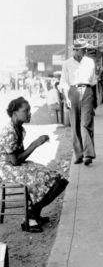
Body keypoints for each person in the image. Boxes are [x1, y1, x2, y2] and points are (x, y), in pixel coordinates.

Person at [0, 97, 68, 232]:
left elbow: (19, 157)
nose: (29, 113)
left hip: (17, 165)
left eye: (30, 110)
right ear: (14, 113)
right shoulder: (9, 131)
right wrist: (35, 144)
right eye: (26, 110)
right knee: (41, 179)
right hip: (7, 169)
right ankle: (31, 219)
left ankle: (34, 214)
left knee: (58, 179)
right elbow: (14, 161)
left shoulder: (20, 129)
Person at [60, 38, 97, 166]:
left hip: (87, 90)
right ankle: (79, 155)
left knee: (86, 123)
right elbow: (63, 82)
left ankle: (88, 154)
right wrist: (66, 98)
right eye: (83, 49)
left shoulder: (90, 62)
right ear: (75, 50)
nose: (85, 51)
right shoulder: (67, 63)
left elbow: (93, 81)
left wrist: (95, 99)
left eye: (86, 48)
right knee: (75, 124)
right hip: (72, 91)